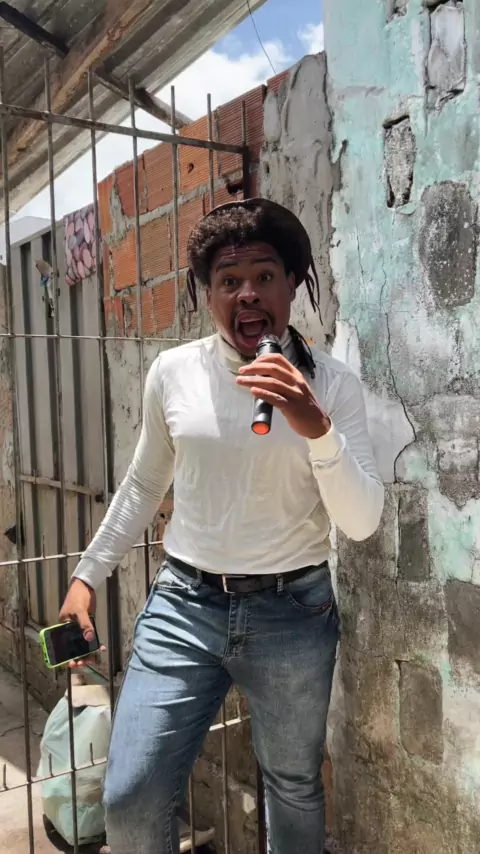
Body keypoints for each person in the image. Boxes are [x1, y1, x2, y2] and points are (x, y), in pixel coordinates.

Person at [60, 198, 384, 854]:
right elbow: (143, 486)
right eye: (228, 280)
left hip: (293, 612)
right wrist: (87, 576)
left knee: (293, 784)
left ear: (292, 284)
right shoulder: (174, 373)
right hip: (185, 606)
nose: (247, 294)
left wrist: (316, 427)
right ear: (207, 295)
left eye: (264, 276)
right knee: (131, 795)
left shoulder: (333, 386)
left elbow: (360, 521)